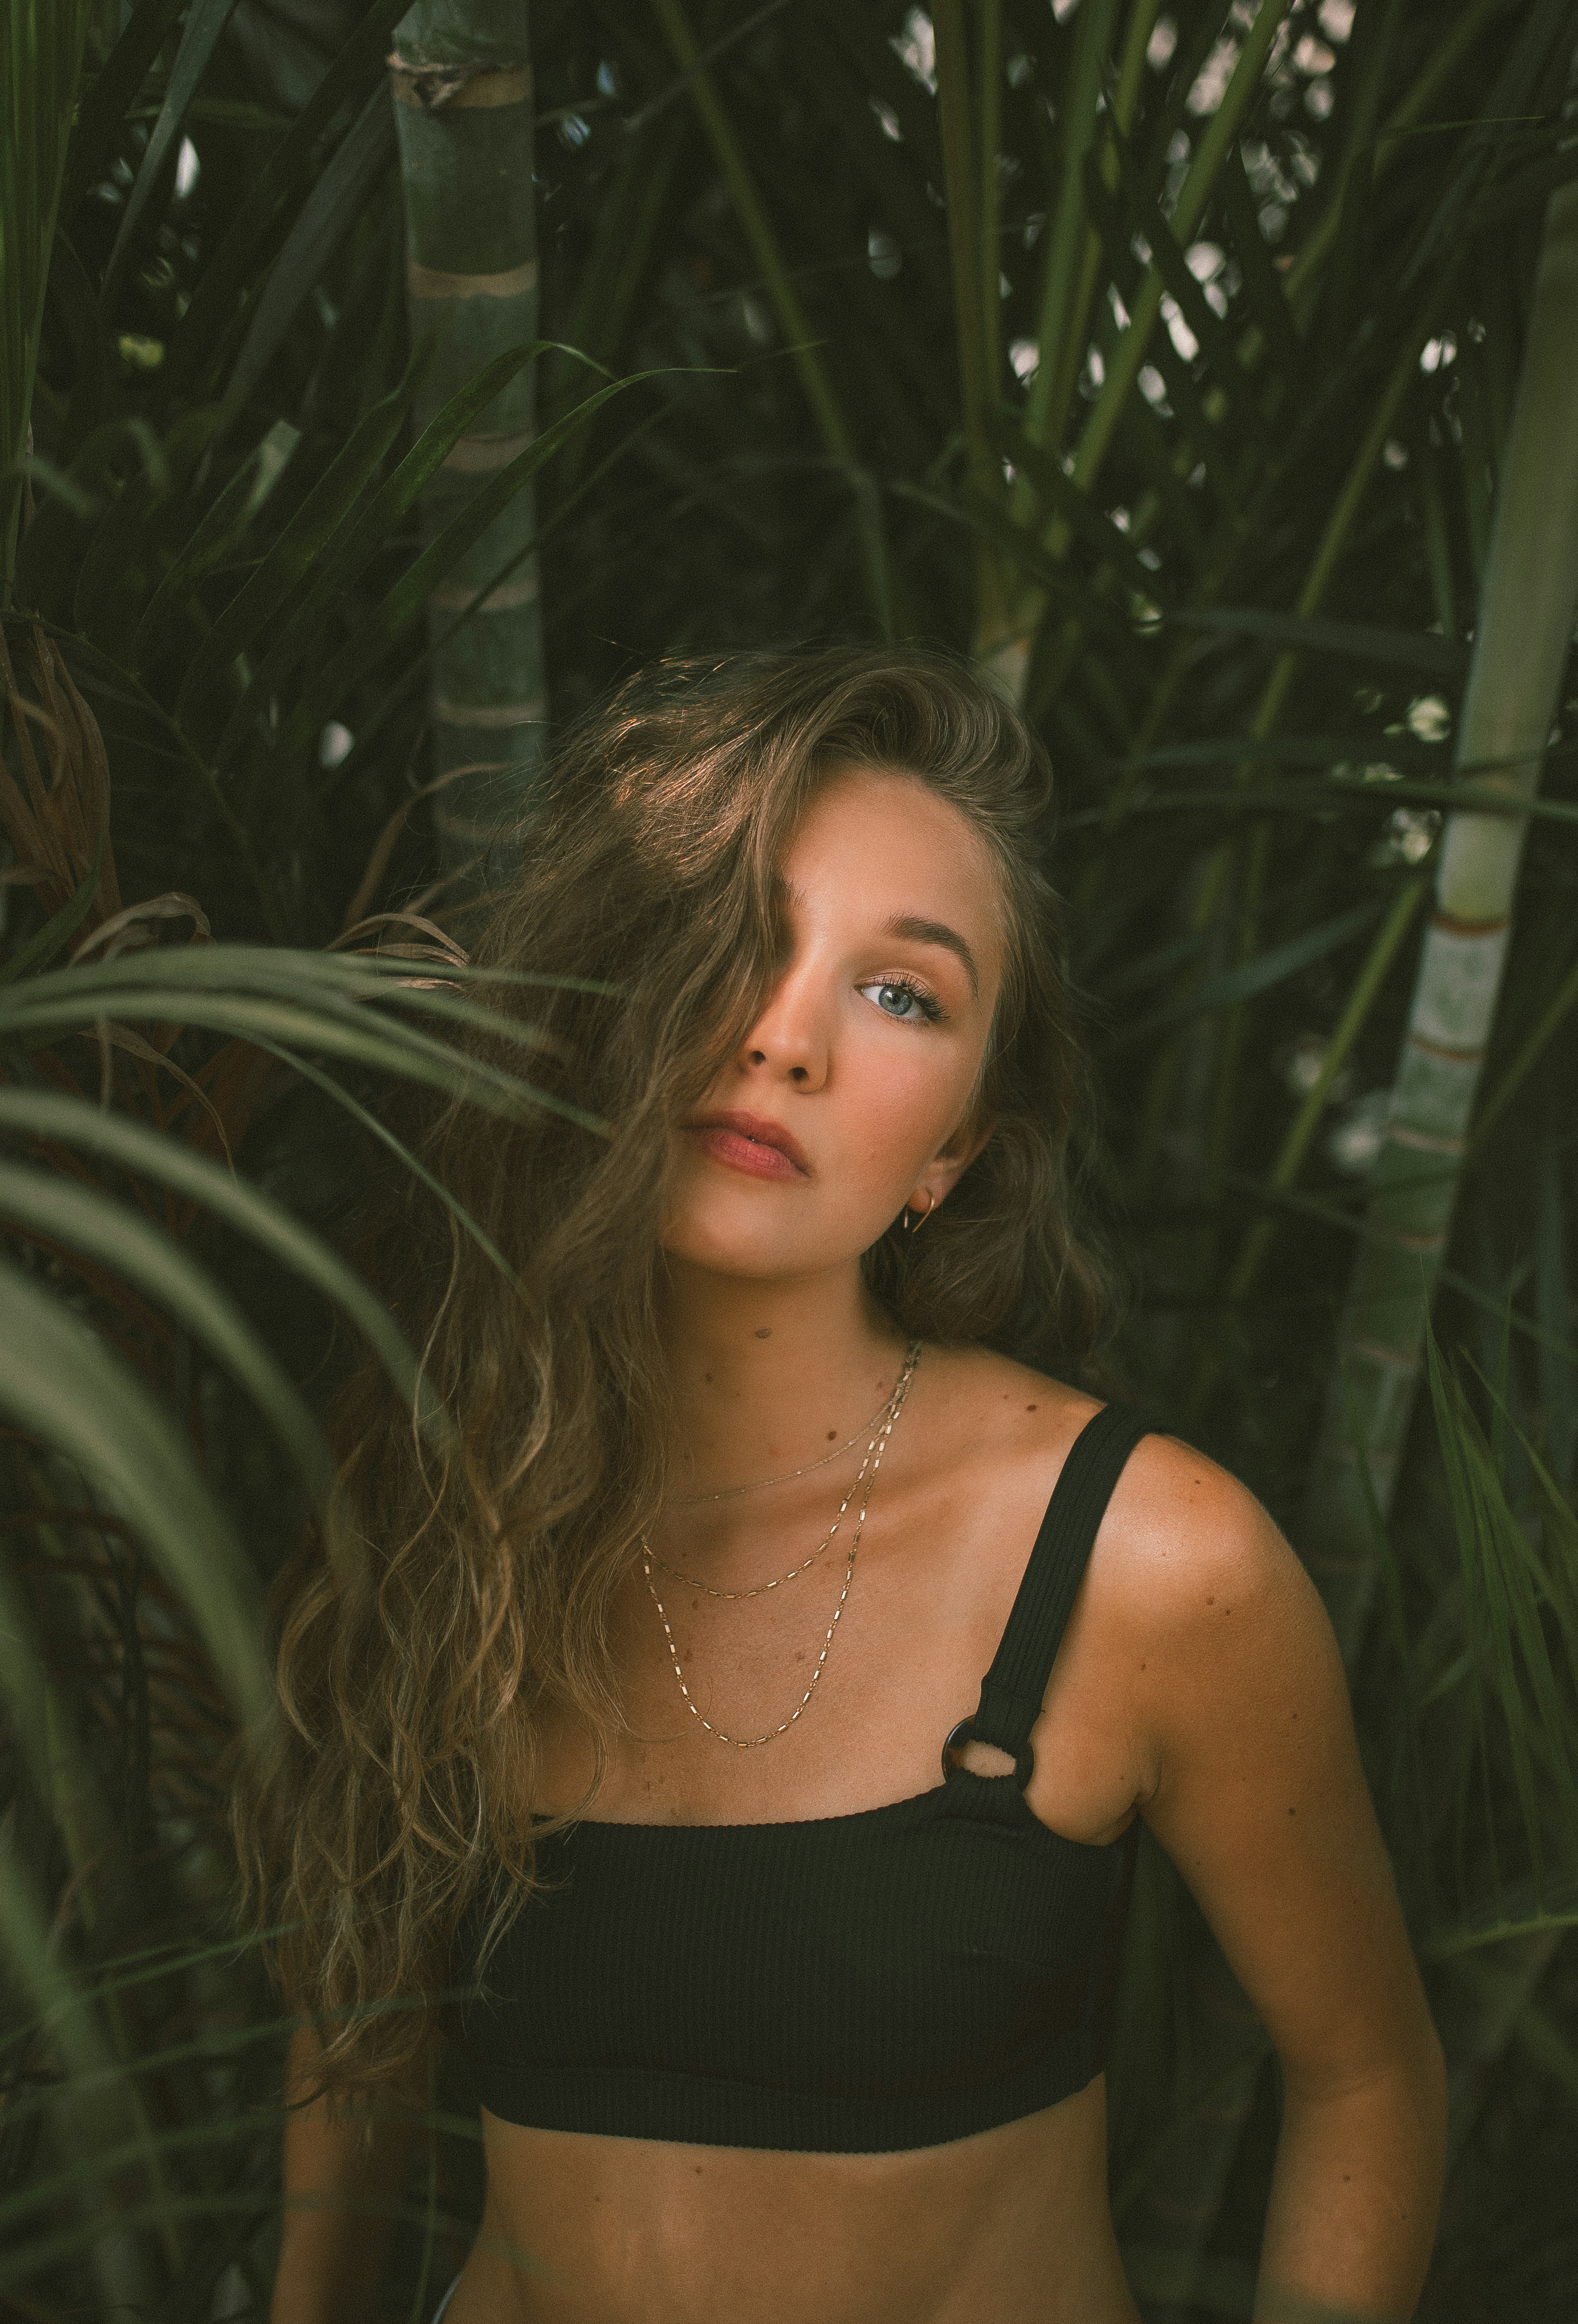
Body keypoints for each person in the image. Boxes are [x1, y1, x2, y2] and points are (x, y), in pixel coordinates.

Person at [242, 647, 1445, 2324]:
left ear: (953, 1152)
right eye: (733, 943)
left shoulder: (1139, 1563)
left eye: (903, 994)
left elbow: (1365, 2077)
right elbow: (357, 2025)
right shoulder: (460, 1508)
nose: (782, 1038)